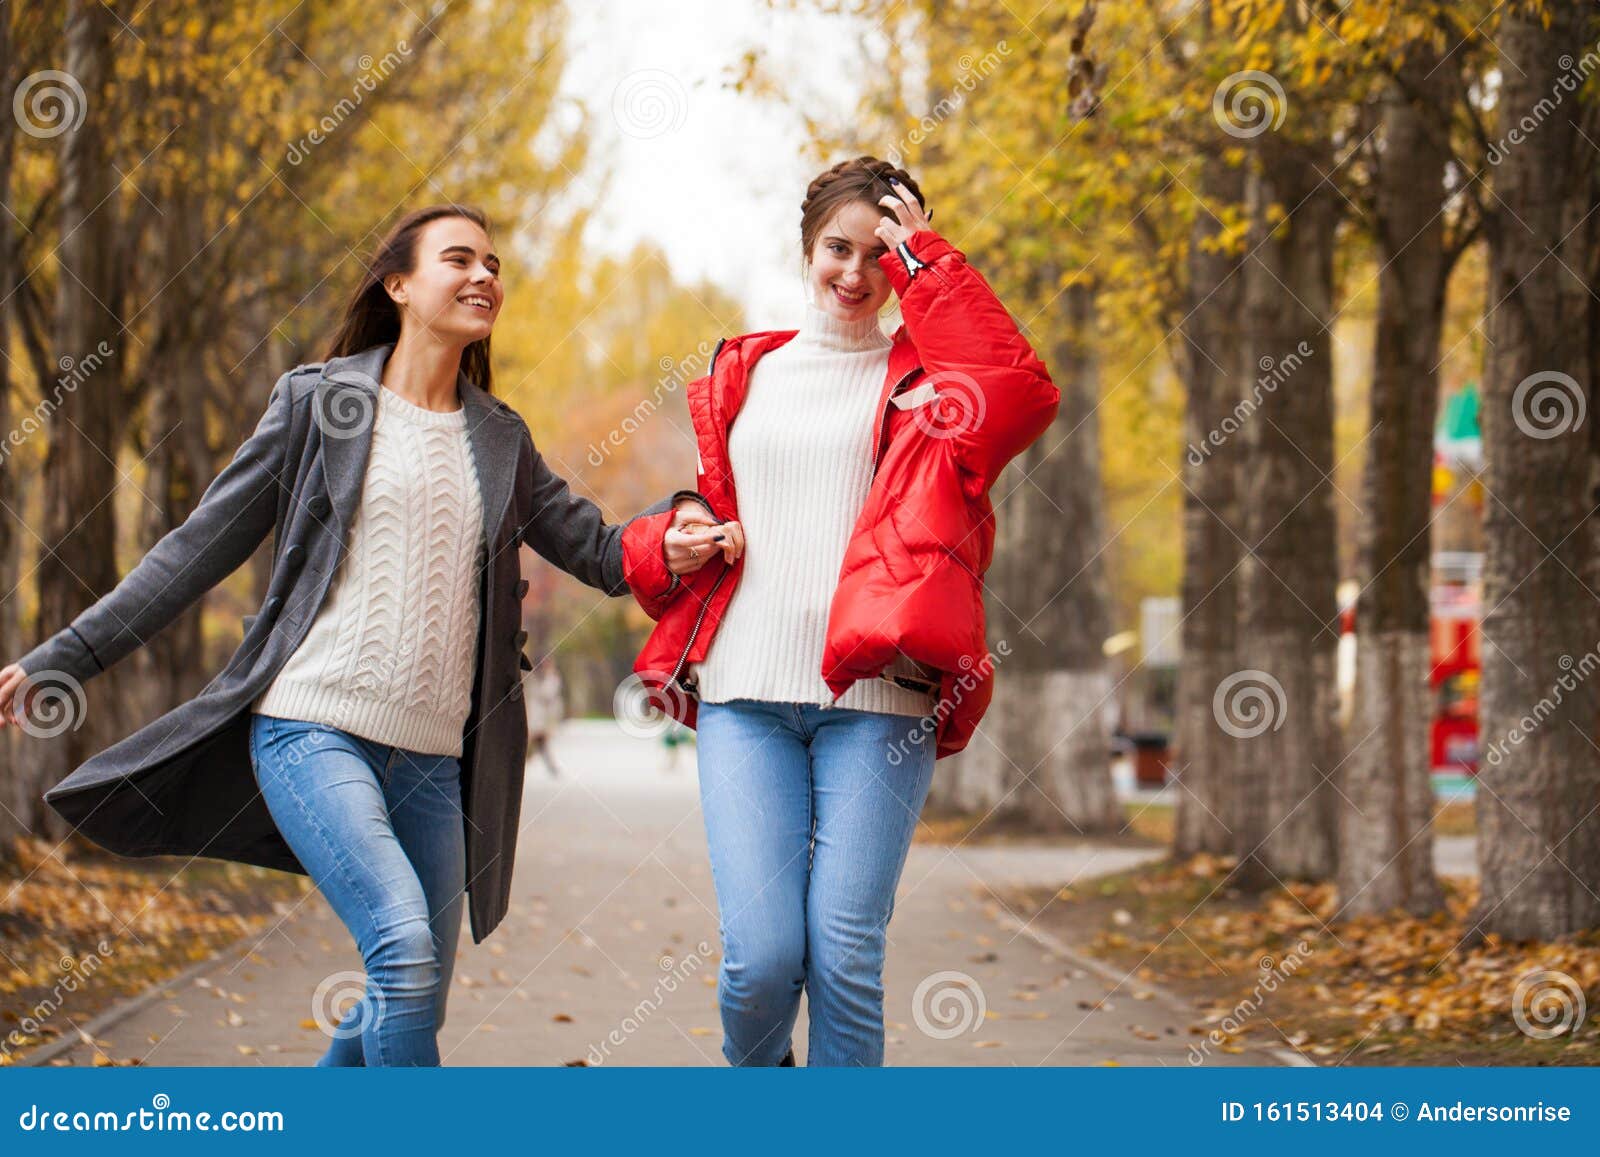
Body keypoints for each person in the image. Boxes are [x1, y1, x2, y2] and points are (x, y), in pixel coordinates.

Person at [0, 204, 736, 1067]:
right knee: (403, 951)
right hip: (311, 729)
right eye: (458, 259)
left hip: (433, 764)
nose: (484, 276)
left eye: (493, 265)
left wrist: (675, 532)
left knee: (411, 990)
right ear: (398, 285)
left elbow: (603, 552)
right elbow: (196, 549)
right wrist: (61, 659)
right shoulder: (320, 403)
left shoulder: (499, 438)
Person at [619, 157, 1059, 1065]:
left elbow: (1021, 399)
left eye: (878, 253)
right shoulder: (746, 370)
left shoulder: (931, 385)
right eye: (837, 249)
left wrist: (929, 260)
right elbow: (718, 495)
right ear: (806, 249)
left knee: (845, 953)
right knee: (761, 959)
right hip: (744, 694)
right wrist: (690, 524)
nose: (855, 273)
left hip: (879, 699)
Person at [523, 657, 565, 777]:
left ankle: (550, 766)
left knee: (540, 741)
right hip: (537, 716)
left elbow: (548, 695)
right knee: (536, 741)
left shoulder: (553, 678)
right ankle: (548, 766)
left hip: (544, 716)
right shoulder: (536, 679)